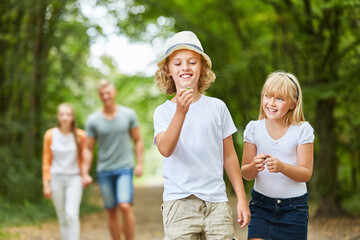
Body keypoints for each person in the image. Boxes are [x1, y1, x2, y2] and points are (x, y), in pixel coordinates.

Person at [153, 31, 250, 240]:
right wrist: (180, 112)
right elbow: (165, 149)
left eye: (192, 62)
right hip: (178, 205)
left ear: (202, 68)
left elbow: (229, 156)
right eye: (177, 63)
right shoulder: (163, 112)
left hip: (216, 204)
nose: (185, 68)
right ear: (168, 70)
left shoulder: (218, 107)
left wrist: (241, 198)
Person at [241, 71, 315, 240]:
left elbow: (306, 173)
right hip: (261, 207)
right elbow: (245, 173)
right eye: (267, 96)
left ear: (293, 103)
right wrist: (254, 166)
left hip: (294, 210)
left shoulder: (302, 130)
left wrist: (282, 167)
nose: (271, 103)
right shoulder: (253, 128)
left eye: (280, 99)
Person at [81, 79, 144, 240]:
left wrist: (140, 164)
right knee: (111, 211)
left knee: (124, 205)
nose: (106, 96)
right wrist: (84, 172)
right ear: (99, 96)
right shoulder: (93, 120)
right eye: (102, 94)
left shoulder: (128, 114)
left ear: (114, 92)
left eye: (108, 93)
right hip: (104, 170)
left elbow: (138, 140)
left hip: (124, 168)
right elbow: (87, 148)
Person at [42, 103, 86, 240]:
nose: (65, 117)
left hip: (74, 179)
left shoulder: (80, 136)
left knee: (71, 215)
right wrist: (46, 183)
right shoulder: (50, 135)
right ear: (58, 117)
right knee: (62, 218)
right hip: (56, 179)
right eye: (62, 114)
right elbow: (46, 160)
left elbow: (84, 158)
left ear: (72, 117)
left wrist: (84, 175)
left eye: (68, 114)